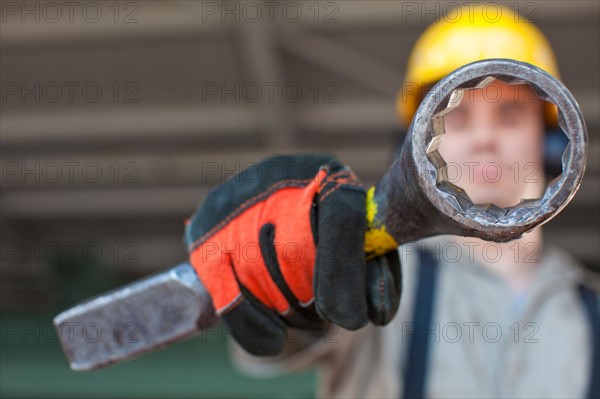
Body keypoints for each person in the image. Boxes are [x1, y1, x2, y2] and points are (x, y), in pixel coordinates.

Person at [184, 5, 599, 398]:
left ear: (550, 143)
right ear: (417, 143)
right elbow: (285, 339)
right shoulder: (371, 270)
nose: (484, 138)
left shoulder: (592, 306)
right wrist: (289, 264)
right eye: (457, 117)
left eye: (509, 115)